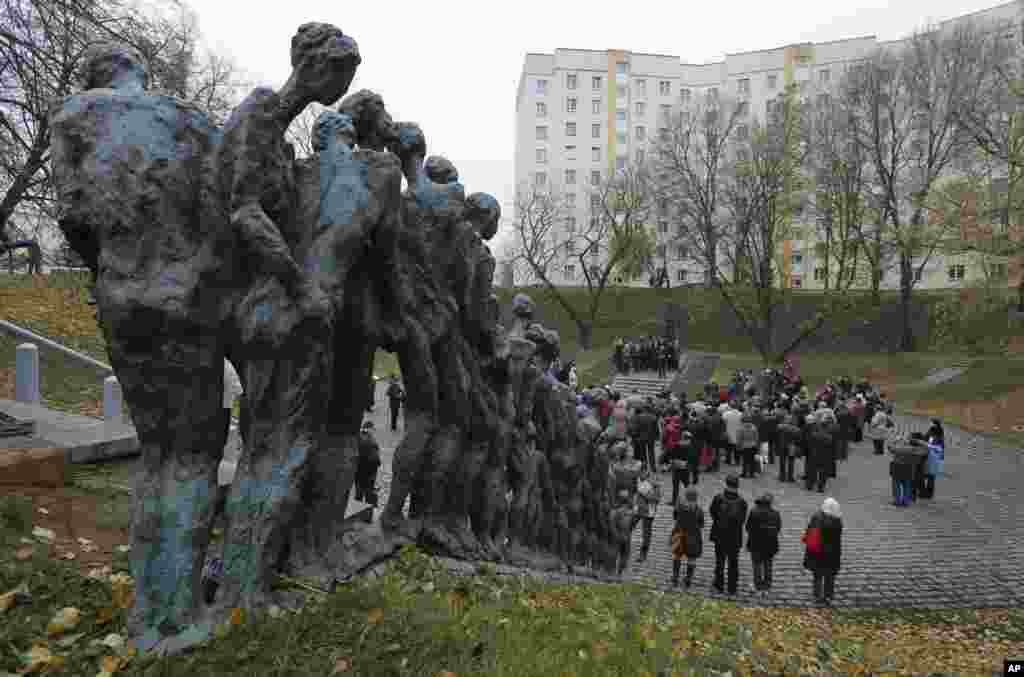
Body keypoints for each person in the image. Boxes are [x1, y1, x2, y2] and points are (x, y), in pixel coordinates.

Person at [709, 474, 748, 595]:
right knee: (733, 562)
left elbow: (713, 513)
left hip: (720, 534)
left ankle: (719, 584)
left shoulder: (718, 498)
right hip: (734, 536)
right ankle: (732, 587)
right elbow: (742, 520)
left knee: (719, 560)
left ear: (726, 484)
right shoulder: (742, 502)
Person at [803, 497, 843, 606]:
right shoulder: (837, 522)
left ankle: (817, 596)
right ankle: (828, 596)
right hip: (831, 553)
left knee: (817, 575)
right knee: (830, 576)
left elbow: (809, 532)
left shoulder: (816, 517)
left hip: (817, 551)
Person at [745, 492, 781, 597]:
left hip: (755, 543)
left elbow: (748, 528)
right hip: (770, 544)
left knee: (756, 565)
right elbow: (778, 529)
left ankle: (758, 586)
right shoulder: (775, 514)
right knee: (768, 565)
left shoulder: (754, 512)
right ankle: (767, 586)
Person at [670, 487, 704, 588]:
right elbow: (701, 524)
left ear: (685, 496)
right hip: (693, 537)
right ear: (696, 498)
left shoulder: (679, 507)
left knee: (677, 555)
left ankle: (675, 577)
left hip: (679, 534)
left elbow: (675, 517)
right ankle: (688, 579)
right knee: (691, 558)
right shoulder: (698, 510)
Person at [632, 470, 661, 562]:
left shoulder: (655, 485)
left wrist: (644, 493)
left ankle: (643, 554)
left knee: (646, 535)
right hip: (638, 510)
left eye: (643, 473)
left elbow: (656, 499)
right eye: (640, 472)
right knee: (628, 527)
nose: (641, 475)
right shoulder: (638, 480)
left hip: (648, 512)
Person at [354, 420, 381, 506]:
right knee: (369, 493)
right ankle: (367, 516)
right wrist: (378, 463)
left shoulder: (358, 437)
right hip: (370, 470)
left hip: (358, 469)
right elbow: (375, 458)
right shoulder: (370, 439)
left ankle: (356, 512)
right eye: (372, 429)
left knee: (359, 492)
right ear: (369, 428)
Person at [737, 414, 760, 479]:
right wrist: (757, 445)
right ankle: (751, 473)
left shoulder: (742, 428)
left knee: (744, 460)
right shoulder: (754, 427)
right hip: (753, 446)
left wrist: (739, 445)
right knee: (752, 460)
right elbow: (756, 438)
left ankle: (744, 473)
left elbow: (739, 438)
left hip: (744, 446)